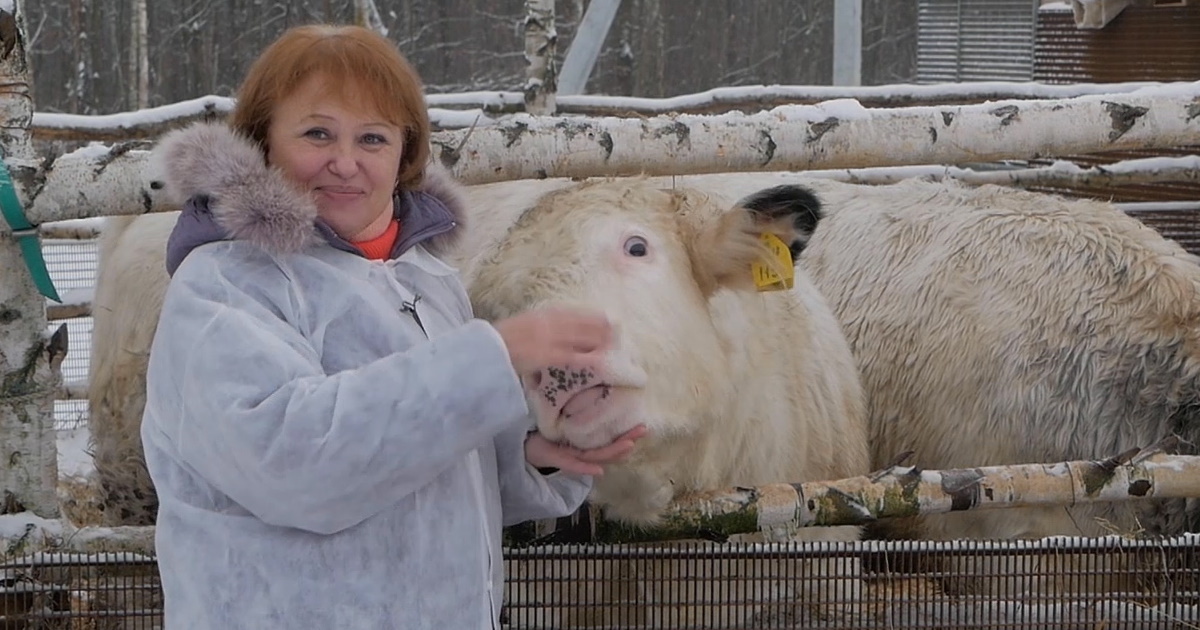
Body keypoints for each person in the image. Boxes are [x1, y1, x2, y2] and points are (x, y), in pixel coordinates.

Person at [139, 23, 647, 629]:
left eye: (373, 138)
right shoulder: (225, 285)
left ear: (405, 154)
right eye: (317, 133)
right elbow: (296, 465)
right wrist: (495, 355)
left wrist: (533, 454)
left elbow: (430, 464)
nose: (345, 163)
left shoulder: (423, 281)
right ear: (262, 140)